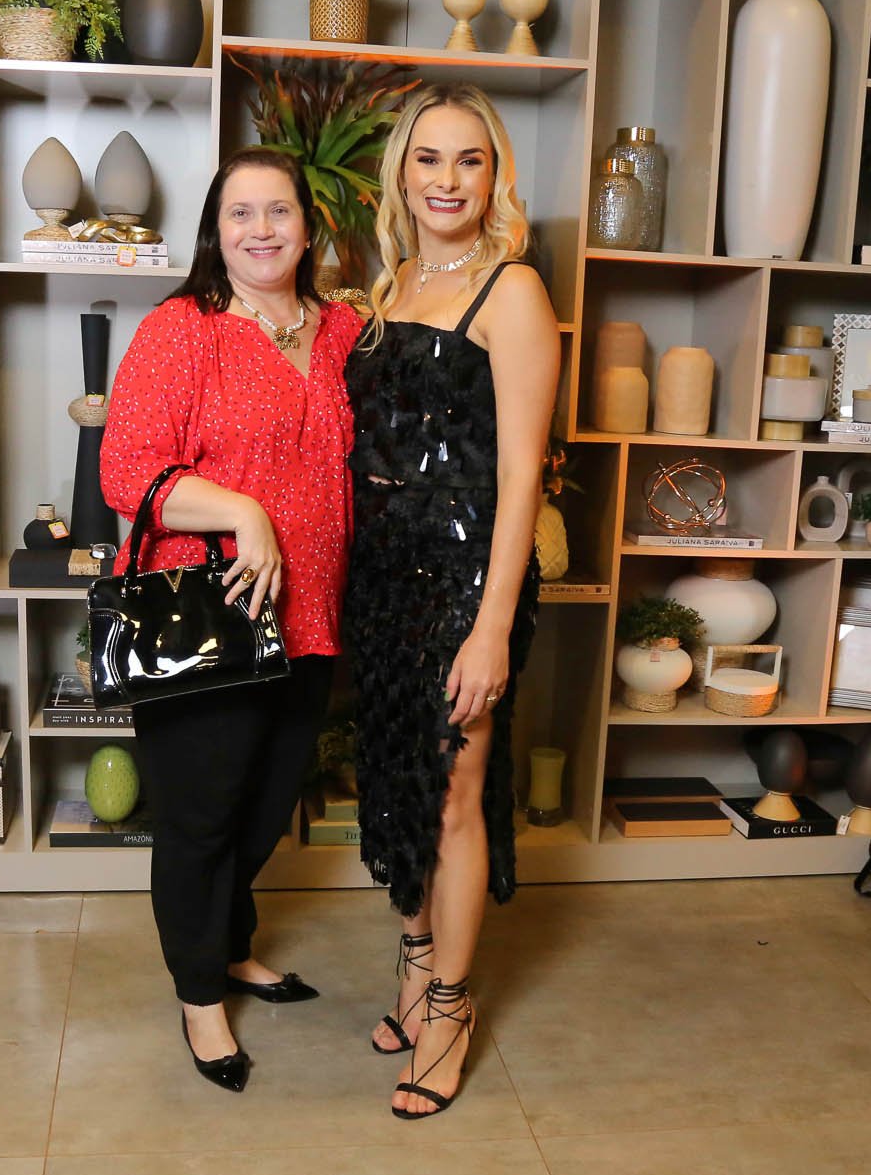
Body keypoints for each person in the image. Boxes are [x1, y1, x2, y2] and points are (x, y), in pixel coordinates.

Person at [101, 148, 363, 1094]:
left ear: (307, 225)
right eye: (240, 213)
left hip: (311, 617)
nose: (261, 229)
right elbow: (127, 471)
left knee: (261, 810)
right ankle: (200, 993)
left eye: (278, 210)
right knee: (202, 816)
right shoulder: (184, 329)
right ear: (216, 230)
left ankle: (232, 945)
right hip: (209, 619)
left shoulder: (342, 331)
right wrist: (243, 510)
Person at [344, 85, 558, 1118]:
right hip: (383, 576)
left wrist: (490, 627)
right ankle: (417, 959)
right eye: (427, 158)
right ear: (402, 173)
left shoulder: (512, 291)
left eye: (468, 160)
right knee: (397, 782)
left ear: (493, 176)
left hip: (466, 573)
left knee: (453, 793)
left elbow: (521, 477)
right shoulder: (390, 285)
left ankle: (451, 1006)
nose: (446, 179)